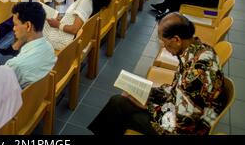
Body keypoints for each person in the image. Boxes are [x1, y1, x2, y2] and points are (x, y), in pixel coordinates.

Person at [88, 13, 225, 135]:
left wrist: (148, 106)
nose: (164, 48)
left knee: (120, 112)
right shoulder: (199, 49)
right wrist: (150, 92)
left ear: (176, 39)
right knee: (118, 102)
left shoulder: (197, 72)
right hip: (180, 111)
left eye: (165, 43)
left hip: (185, 129)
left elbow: (182, 123)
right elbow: (179, 91)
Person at [5, 2, 57, 88]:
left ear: (28, 26)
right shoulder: (49, 47)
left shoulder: (14, 65)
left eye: (15, 24)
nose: (13, 28)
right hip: (40, 94)